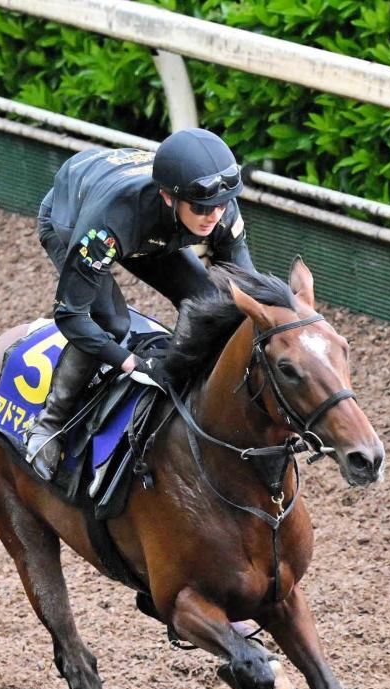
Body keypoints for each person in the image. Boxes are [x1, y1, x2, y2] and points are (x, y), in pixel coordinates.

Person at [26, 127, 256, 481]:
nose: (213, 216)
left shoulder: (219, 207)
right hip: (76, 221)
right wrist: (132, 363)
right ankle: (49, 424)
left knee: (209, 300)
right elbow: (71, 315)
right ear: (168, 196)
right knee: (110, 321)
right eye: (201, 207)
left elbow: (245, 291)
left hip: (152, 228)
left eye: (221, 205)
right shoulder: (110, 223)